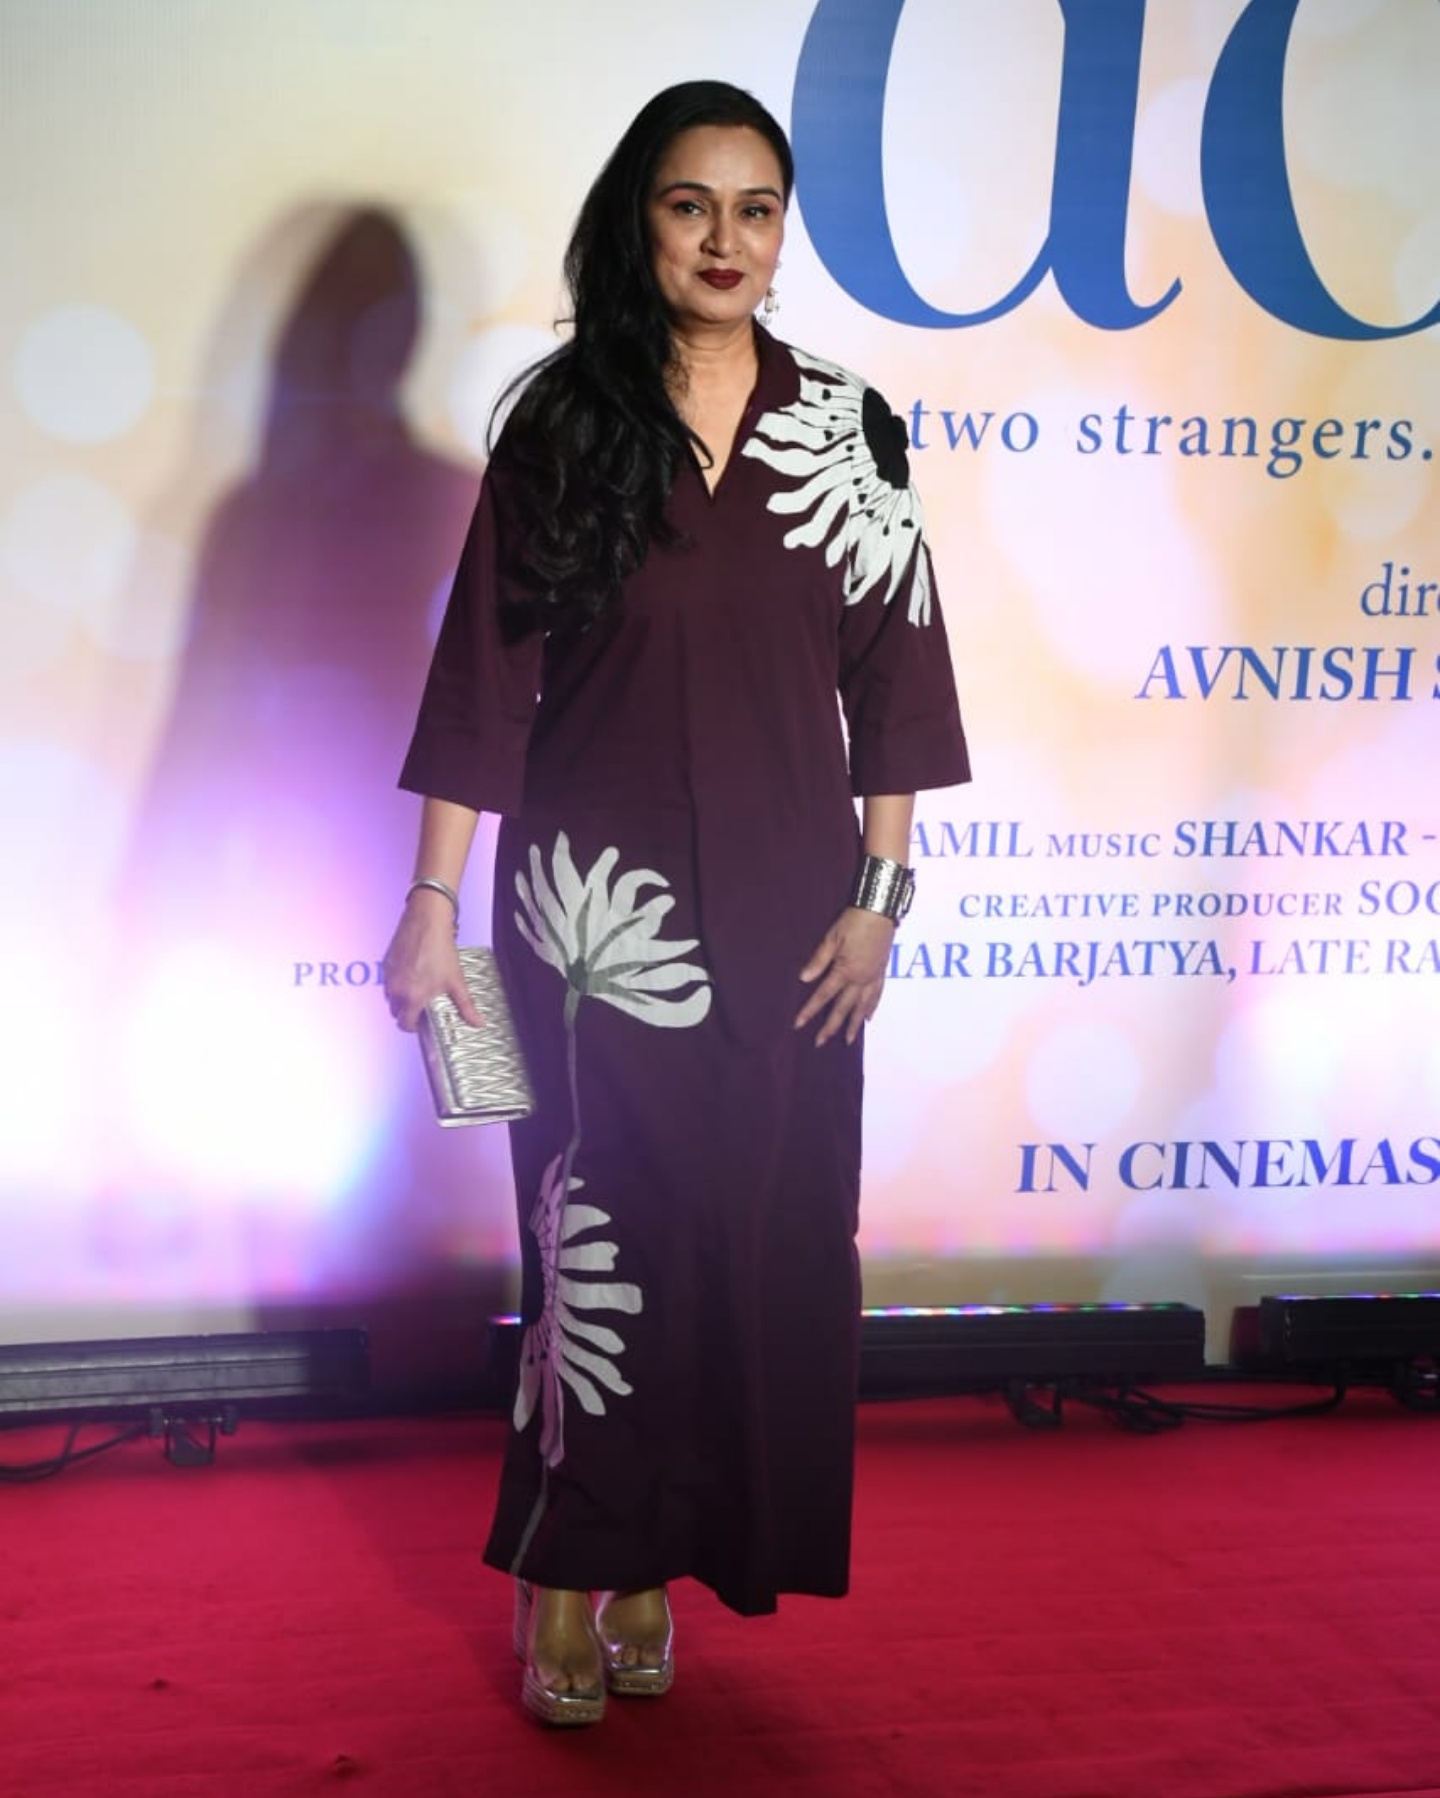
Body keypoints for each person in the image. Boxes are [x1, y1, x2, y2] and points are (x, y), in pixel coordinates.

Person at [382, 79, 970, 1727]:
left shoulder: (849, 429)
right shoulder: (562, 422)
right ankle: (563, 1575)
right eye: (689, 205)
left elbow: (902, 688)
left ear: (786, 234)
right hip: (587, 922)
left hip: (794, 917)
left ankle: (663, 1565)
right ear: (639, 224)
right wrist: (433, 905)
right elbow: (481, 690)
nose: (726, 239)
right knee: (598, 1242)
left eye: (756, 208)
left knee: (755, 1238)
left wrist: (880, 900)